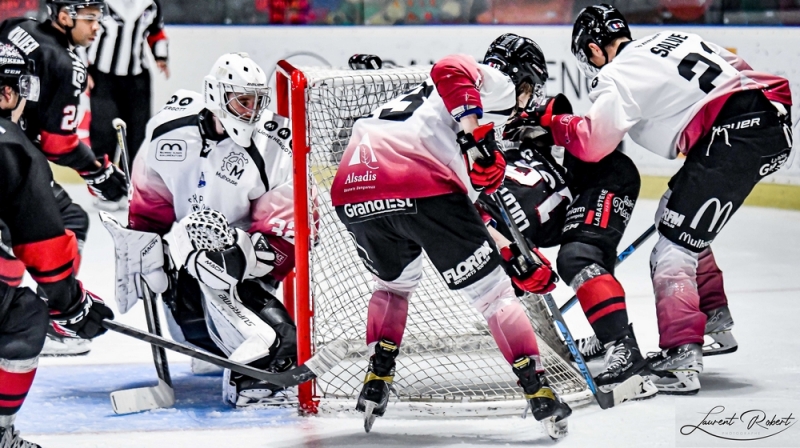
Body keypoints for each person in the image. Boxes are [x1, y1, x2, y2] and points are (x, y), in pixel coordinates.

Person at [536, 3, 792, 394]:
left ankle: (682, 355)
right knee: (672, 217)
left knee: (671, 248)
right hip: (767, 121)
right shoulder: (673, 38)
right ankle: (712, 316)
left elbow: (593, 144)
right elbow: (734, 74)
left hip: (735, 135)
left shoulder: (619, 73)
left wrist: (555, 125)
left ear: (593, 49)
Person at [331, 34, 571, 438]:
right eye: (530, 89)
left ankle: (377, 377)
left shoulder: (438, 108)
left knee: (393, 286)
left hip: (354, 188)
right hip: (418, 182)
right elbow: (448, 66)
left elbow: (466, 214)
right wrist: (476, 138)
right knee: (494, 297)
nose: (527, 100)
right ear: (523, 78)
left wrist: (512, 253)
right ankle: (539, 391)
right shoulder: (496, 85)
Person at [127, 52, 299, 408]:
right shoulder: (167, 130)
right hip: (185, 265)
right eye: (242, 101)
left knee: (282, 344)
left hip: (244, 268)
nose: (252, 111)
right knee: (193, 329)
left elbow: (285, 234)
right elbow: (148, 208)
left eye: (258, 102)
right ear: (216, 96)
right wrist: (147, 255)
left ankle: (248, 373)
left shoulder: (275, 143)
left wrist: (239, 260)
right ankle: (218, 350)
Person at [479, 96, 655, 395]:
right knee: (571, 263)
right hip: (561, 209)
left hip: (602, 177)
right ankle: (605, 333)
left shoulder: (478, 153)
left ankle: (623, 348)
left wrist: (536, 121)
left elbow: (557, 109)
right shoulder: (467, 229)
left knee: (578, 257)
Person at [0, 41, 114, 448]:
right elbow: (43, 246)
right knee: (24, 314)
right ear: (7, 93)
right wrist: (70, 303)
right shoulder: (12, 146)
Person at [1, 0, 128, 356]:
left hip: (11, 147)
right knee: (44, 229)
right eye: (90, 18)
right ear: (62, 16)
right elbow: (57, 143)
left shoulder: (15, 26)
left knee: (53, 222)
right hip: (13, 157)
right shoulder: (68, 63)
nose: (97, 27)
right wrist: (98, 171)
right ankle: (54, 318)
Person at [85, 0, 169, 211]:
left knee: (137, 137)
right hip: (103, 76)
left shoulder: (150, 4)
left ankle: (131, 189)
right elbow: (81, 32)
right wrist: (82, 67)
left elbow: (156, 32)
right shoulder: (99, 3)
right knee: (104, 133)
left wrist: (160, 57)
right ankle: (104, 189)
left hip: (137, 78)